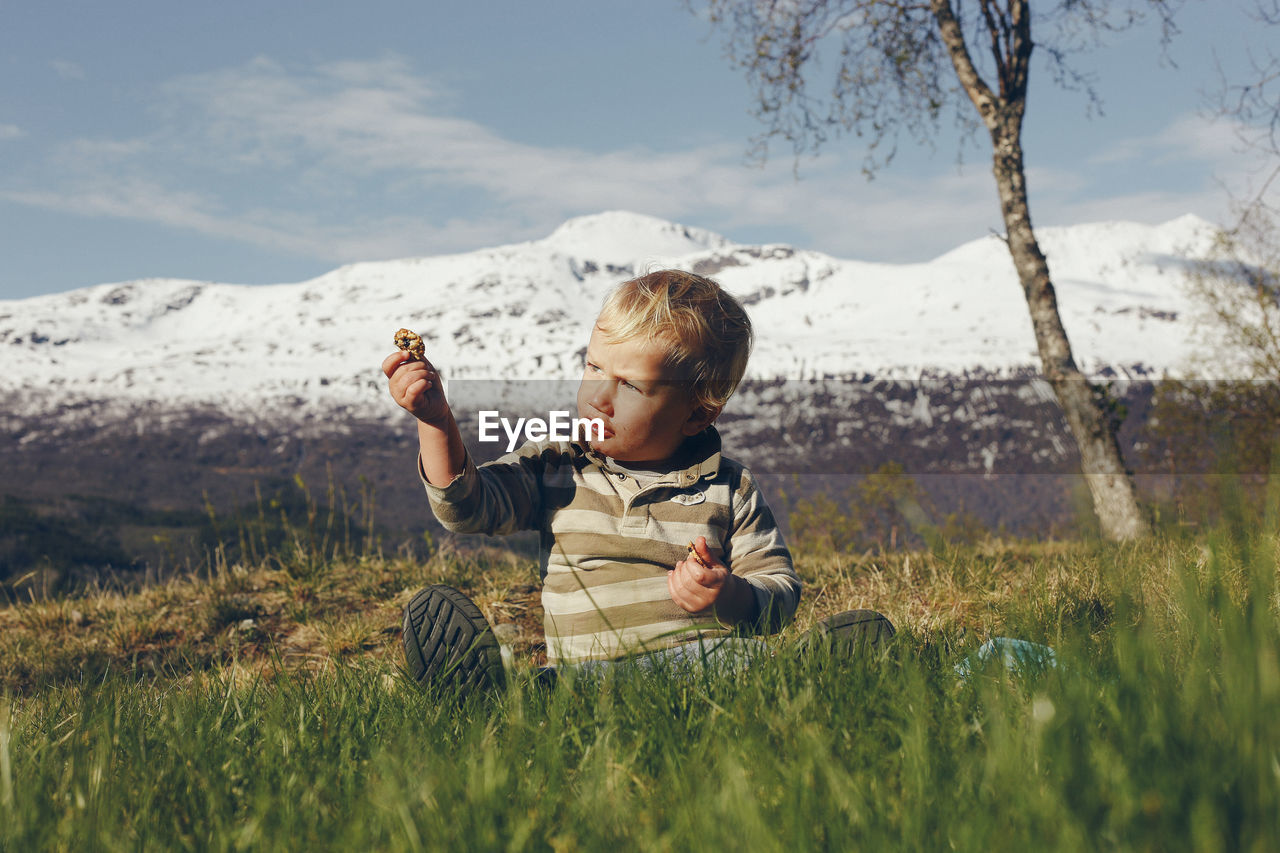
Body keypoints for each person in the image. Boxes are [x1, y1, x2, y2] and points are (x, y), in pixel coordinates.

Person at [382, 269, 893, 692]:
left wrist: (729, 594)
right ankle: (480, 691)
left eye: (628, 385)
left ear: (696, 414)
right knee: (557, 690)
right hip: (587, 679)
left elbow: (778, 593)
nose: (598, 397)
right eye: (594, 368)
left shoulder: (729, 489)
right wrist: (436, 420)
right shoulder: (557, 468)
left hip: (708, 671)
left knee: (744, 669)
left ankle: (804, 676)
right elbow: (467, 507)